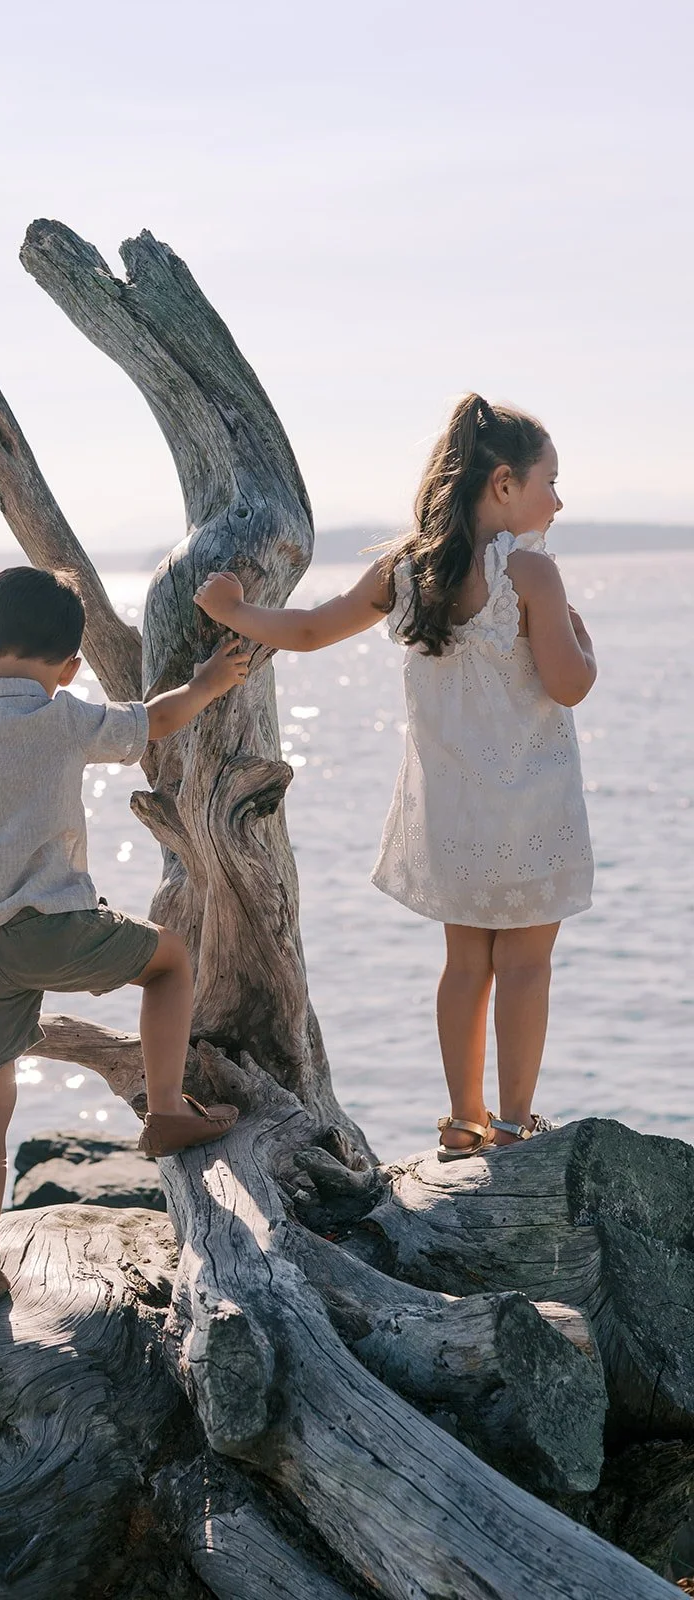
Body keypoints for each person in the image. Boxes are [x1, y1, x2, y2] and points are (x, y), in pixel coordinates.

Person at [194, 394, 596, 1161]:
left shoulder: (407, 570)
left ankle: (461, 1120)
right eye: (550, 481)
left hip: (452, 807)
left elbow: (310, 630)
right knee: (525, 965)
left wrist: (237, 611)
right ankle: (514, 1123)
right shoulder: (533, 573)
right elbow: (569, 683)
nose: (559, 498)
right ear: (504, 484)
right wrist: (584, 641)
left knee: (465, 966)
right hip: (532, 805)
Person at [0, 565, 245, 1301]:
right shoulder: (65, 716)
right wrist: (209, 681)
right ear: (73, 666)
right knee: (170, 962)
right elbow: (157, 719)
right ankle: (169, 1110)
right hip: (57, 927)